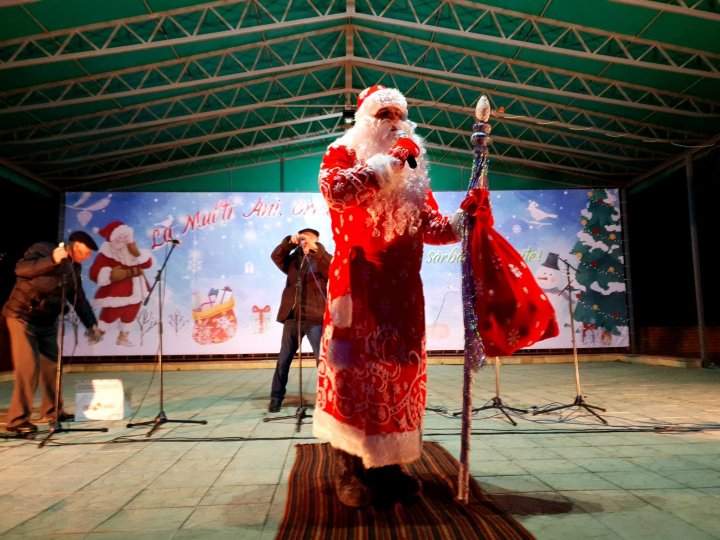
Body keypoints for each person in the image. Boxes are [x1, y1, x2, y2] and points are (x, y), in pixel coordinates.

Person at [314, 85, 478, 507]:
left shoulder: (413, 177)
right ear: (364, 118)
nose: (392, 122)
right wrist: (391, 160)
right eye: (383, 113)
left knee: (397, 375)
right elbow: (337, 192)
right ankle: (345, 467)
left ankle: (387, 465)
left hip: (402, 296)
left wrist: (466, 217)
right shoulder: (342, 153)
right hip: (355, 290)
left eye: (398, 115)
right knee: (351, 376)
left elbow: (434, 228)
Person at [2, 231, 105, 435]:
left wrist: (92, 325)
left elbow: (79, 300)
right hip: (22, 316)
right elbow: (21, 269)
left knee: (52, 367)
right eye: (86, 252)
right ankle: (17, 420)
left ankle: (52, 412)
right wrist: (51, 260)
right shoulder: (43, 249)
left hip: (47, 321)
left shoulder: (74, 268)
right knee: (29, 368)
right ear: (75, 247)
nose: (87, 257)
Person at [268, 228, 331, 413]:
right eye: (303, 238)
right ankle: (276, 398)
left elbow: (334, 268)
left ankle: (327, 400)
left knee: (322, 360)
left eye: (311, 239)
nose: (306, 241)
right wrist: (289, 241)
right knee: (284, 359)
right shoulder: (293, 260)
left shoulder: (322, 259)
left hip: (315, 318)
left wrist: (316, 250)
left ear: (317, 241)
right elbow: (276, 256)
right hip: (292, 318)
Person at [89, 221, 153, 346]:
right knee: (110, 315)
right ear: (112, 239)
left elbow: (147, 264)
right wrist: (109, 274)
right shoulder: (106, 254)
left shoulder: (131, 250)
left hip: (137, 290)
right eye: (119, 237)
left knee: (130, 314)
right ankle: (97, 335)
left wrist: (136, 251)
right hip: (117, 292)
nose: (123, 240)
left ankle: (123, 337)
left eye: (126, 237)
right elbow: (94, 273)